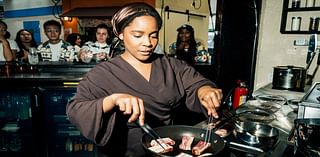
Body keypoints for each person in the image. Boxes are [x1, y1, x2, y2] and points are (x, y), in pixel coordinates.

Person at [66, 2, 222, 157]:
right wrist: (112, 100)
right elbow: (76, 109)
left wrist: (204, 90)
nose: (148, 43)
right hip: (125, 151)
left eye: (153, 35)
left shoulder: (171, 65)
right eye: (138, 35)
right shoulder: (102, 73)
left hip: (167, 148)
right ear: (121, 33)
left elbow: (196, 84)